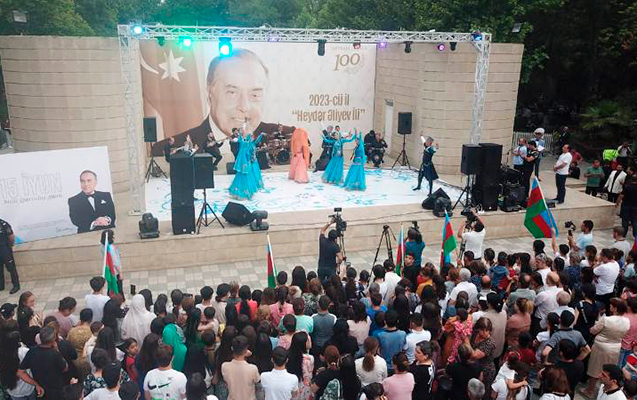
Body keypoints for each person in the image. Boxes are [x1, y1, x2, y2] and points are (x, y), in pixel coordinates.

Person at [154, 49, 294, 155]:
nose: (244, 107)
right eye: (232, 92)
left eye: (255, 95)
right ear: (210, 93)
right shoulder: (166, 149)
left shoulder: (289, 136)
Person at [583, 298, 631, 398]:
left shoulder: (606, 320)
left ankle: (590, 390)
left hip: (601, 347)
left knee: (595, 369)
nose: (609, 307)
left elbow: (593, 330)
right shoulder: (627, 321)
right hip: (615, 348)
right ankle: (605, 389)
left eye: (611, 306)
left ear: (615, 308)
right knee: (609, 372)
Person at [17, 326, 63, 399]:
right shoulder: (55, 354)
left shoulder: (32, 351)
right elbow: (65, 368)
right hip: (56, 390)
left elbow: (20, 372)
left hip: (41, 390)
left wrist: (36, 384)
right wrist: (57, 349)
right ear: (53, 339)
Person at [228, 128, 264, 200]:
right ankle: (242, 192)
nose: (252, 137)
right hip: (244, 163)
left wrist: (260, 135)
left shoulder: (250, 144)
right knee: (243, 177)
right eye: (251, 136)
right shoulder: (245, 143)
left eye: (252, 136)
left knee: (248, 176)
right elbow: (239, 141)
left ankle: (248, 191)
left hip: (249, 163)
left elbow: (256, 141)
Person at [222, 335, 260, 400]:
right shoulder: (253, 368)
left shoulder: (225, 366)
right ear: (246, 350)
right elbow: (257, 380)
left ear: (232, 348)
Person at [317, 219, 343, 283]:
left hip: (321, 267)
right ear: (335, 238)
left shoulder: (322, 241)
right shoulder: (335, 246)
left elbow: (322, 230)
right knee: (331, 283)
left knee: (320, 282)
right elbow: (340, 258)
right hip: (331, 268)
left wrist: (330, 223)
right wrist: (337, 264)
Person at [0, 217, 20, 294]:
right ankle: (1, 286)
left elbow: (11, 236)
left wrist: (10, 246)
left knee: (11, 268)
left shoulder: (4, 224)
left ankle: (16, 285)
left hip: (4, 248)